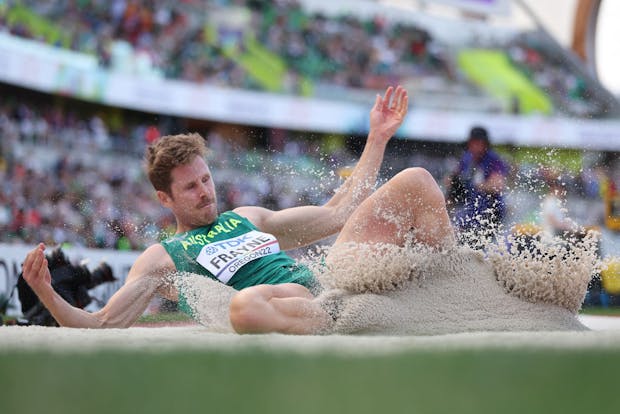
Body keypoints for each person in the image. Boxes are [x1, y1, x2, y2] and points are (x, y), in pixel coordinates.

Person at [21, 85, 455, 334]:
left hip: (332, 282)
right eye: (190, 188)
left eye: (206, 180)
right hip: (285, 305)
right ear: (165, 199)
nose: (205, 192)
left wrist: (377, 137)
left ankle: (451, 292)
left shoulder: (246, 217)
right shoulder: (163, 259)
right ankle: (341, 323)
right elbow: (102, 325)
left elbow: (340, 213)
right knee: (244, 308)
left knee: (415, 179)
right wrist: (46, 292)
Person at [446, 126, 508, 235]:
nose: (475, 146)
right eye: (473, 143)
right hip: (469, 209)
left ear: (485, 144)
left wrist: (477, 184)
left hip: (489, 211)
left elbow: (498, 185)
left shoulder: (493, 159)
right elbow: (452, 180)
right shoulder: (466, 158)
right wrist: (455, 183)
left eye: (479, 143)